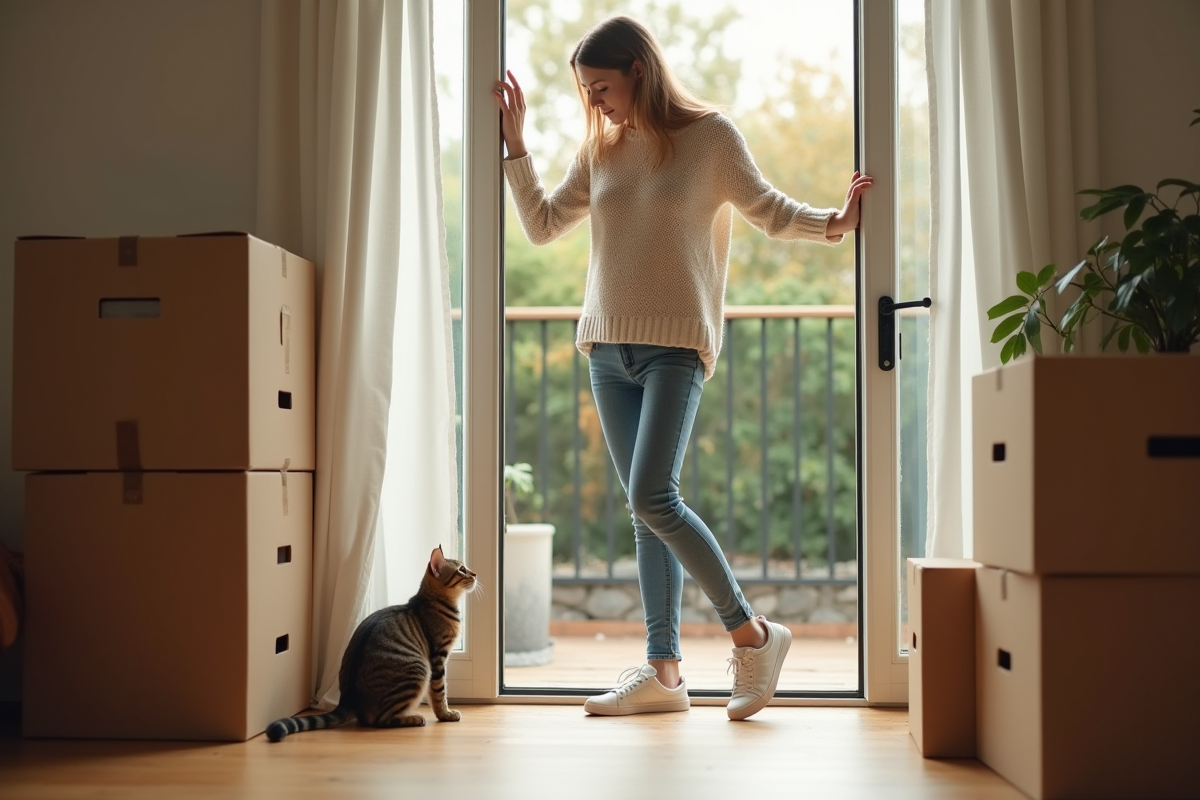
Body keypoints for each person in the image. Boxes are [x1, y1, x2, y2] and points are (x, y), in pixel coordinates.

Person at [493, 15, 871, 721]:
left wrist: (834, 223)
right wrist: (516, 147)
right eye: (585, 91)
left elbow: (767, 210)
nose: (595, 102)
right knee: (647, 515)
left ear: (638, 68)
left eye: (601, 87)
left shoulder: (711, 138)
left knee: (652, 498)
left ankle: (752, 634)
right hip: (607, 348)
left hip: (676, 347)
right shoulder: (601, 149)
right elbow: (542, 226)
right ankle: (665, 675)